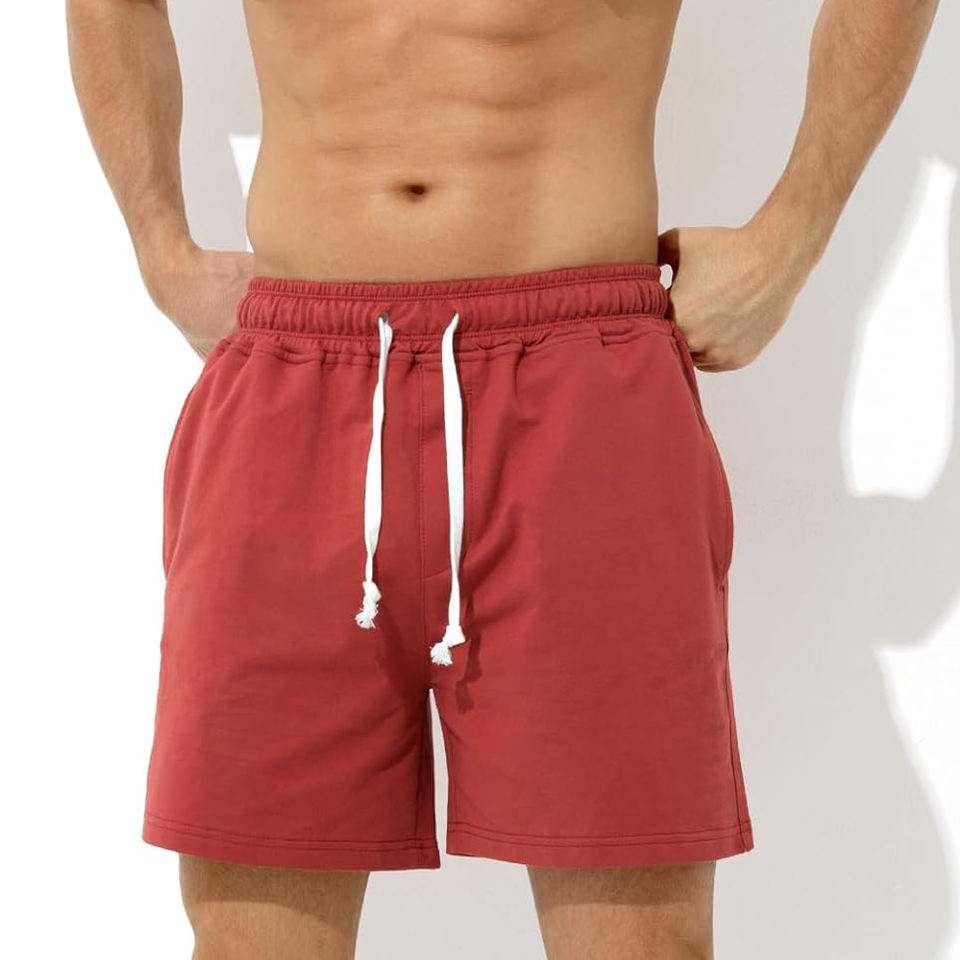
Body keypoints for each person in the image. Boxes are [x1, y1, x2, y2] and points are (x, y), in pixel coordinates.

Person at [67, 1, 939, 957]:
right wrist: (160, 248)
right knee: (249, 944)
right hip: (296, 386)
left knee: (640, 947)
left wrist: (792, 235)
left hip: (581, 386)